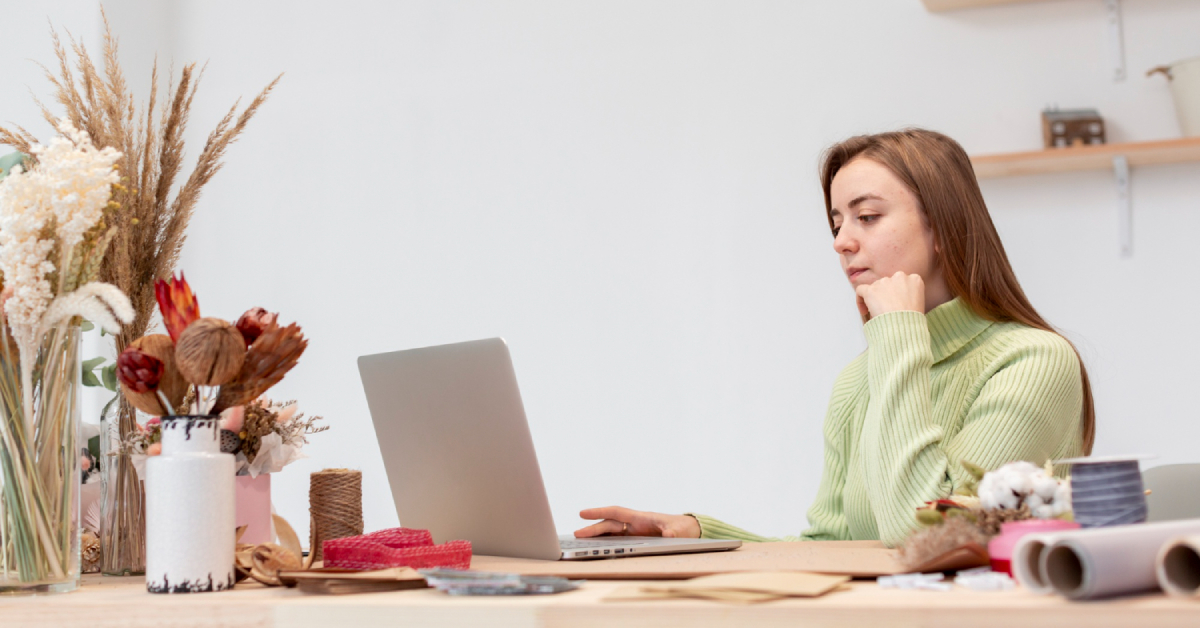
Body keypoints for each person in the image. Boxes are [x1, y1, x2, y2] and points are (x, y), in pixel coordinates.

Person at [574, 129, 1094, 548]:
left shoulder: (1032, 361)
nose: (843, 242)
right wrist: (699, 534)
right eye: (837, 222)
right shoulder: (860, 380)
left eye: (867, 217)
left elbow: (929, 538)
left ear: (942, 226)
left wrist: (898, 333)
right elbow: (831, 547)